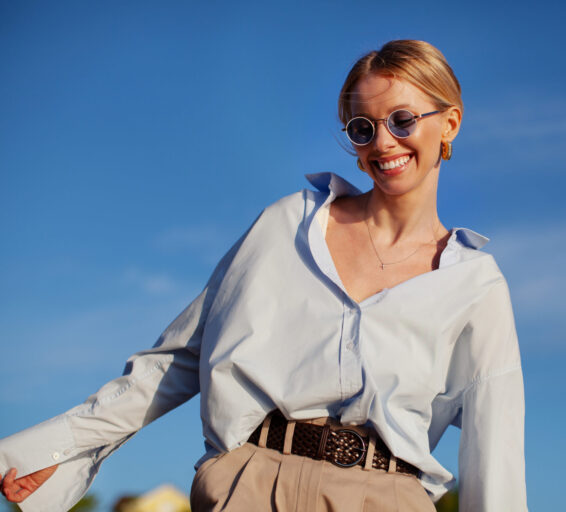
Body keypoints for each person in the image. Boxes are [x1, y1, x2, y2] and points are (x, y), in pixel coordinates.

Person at [0, 40, 527, 511]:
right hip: (248, 488)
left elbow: (494, 449)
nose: (383, 143)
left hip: (385, 498)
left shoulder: (476, 286)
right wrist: (61, 449)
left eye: (403, 120)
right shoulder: (287, 226)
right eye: (363, 128)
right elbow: (179, 359)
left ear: (450, 123)